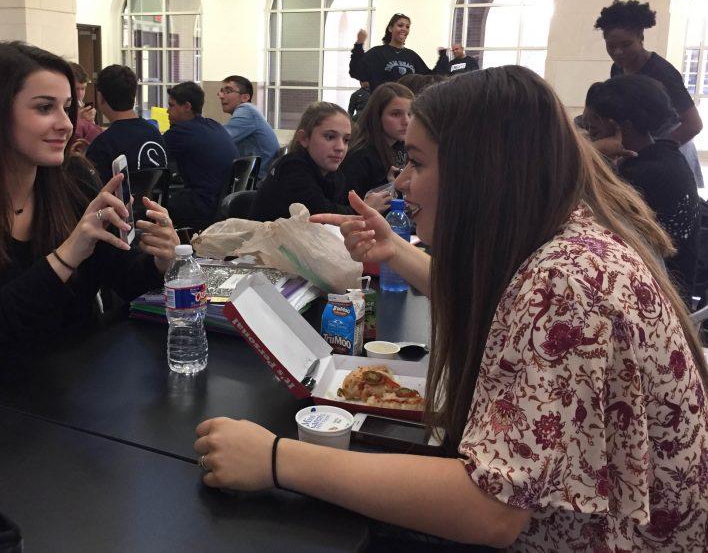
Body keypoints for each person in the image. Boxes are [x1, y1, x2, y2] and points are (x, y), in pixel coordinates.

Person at [196, 66, 708, 551]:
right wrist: (395, 251)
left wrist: (276, 458)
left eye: (417, 162)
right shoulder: (566, 241)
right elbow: (493, 300)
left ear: (479, 172)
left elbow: (491, 510)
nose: (401, 182)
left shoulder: (566, 285)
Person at [0, 42, 180, 386]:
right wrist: (65, 257)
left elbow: (123, 278)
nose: (66, 124)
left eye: (67, 107)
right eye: (45, 108)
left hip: (58, 388)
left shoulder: (72, 182)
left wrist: (159, 261)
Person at [582, 74, 700, 301]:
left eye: (594, 127)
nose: (588, 134)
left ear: (619, 128)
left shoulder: (638, 177)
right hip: (678, 287)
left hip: (660, 298)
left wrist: (592, 154)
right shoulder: (668, 154)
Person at [595, 0, 704, 186]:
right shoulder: (617, 69)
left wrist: (655, 150)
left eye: (626, 44)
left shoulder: (662, 72)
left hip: (670, 147)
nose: (618, 52)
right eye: (611, 46)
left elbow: (693, 124)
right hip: (641, 148)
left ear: (641, 38)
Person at [249, 102, 389, 222]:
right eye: (329, 137)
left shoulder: (334, 174)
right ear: (304, 138)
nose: (340, 147)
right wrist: (365, 208)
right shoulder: (292, 167)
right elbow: (321, 216)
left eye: (346, 140)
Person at [164, 81, 238, 231]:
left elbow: (152, 155)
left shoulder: (181, 132)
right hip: (221, 202)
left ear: (187, 106)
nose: (167, 111)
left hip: (202, 206)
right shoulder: (214, 125)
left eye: (171, 106)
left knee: (149, 203)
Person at [86, 64, 167, 184]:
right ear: (134, 96)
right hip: (154, 202)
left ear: (101, 98)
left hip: (116, 203)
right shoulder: (154, 133)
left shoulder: (102, 145)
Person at [340, 82, 412, 201]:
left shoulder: (403, 147)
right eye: (396, 114)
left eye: (410, 114)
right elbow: (348, 204)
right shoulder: (359, 156)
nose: (406, 121)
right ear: (377, 116)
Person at [349, 14, 442, 92]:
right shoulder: (377, 53)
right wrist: (359, 44)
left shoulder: (412, 56)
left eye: (407, 27)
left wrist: (442, 58)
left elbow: (428, 80)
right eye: (400, 25)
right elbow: (356, 71)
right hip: (383, 106)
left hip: (408, 108)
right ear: (390, 28)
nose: (404, 29)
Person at [218, 75, 279, 180]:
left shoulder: (246, 110)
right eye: (221, 92)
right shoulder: (251, 111)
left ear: (245, 97)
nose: (221, 96)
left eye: (228, 91)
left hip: (257, 181)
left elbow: (222, 139)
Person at [69, 62, 103, 147]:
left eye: (83, 88)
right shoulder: (61, 108)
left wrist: (91, 123)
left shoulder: (83, 108)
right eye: (76, 89)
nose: (80, 94)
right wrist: (79, 120)